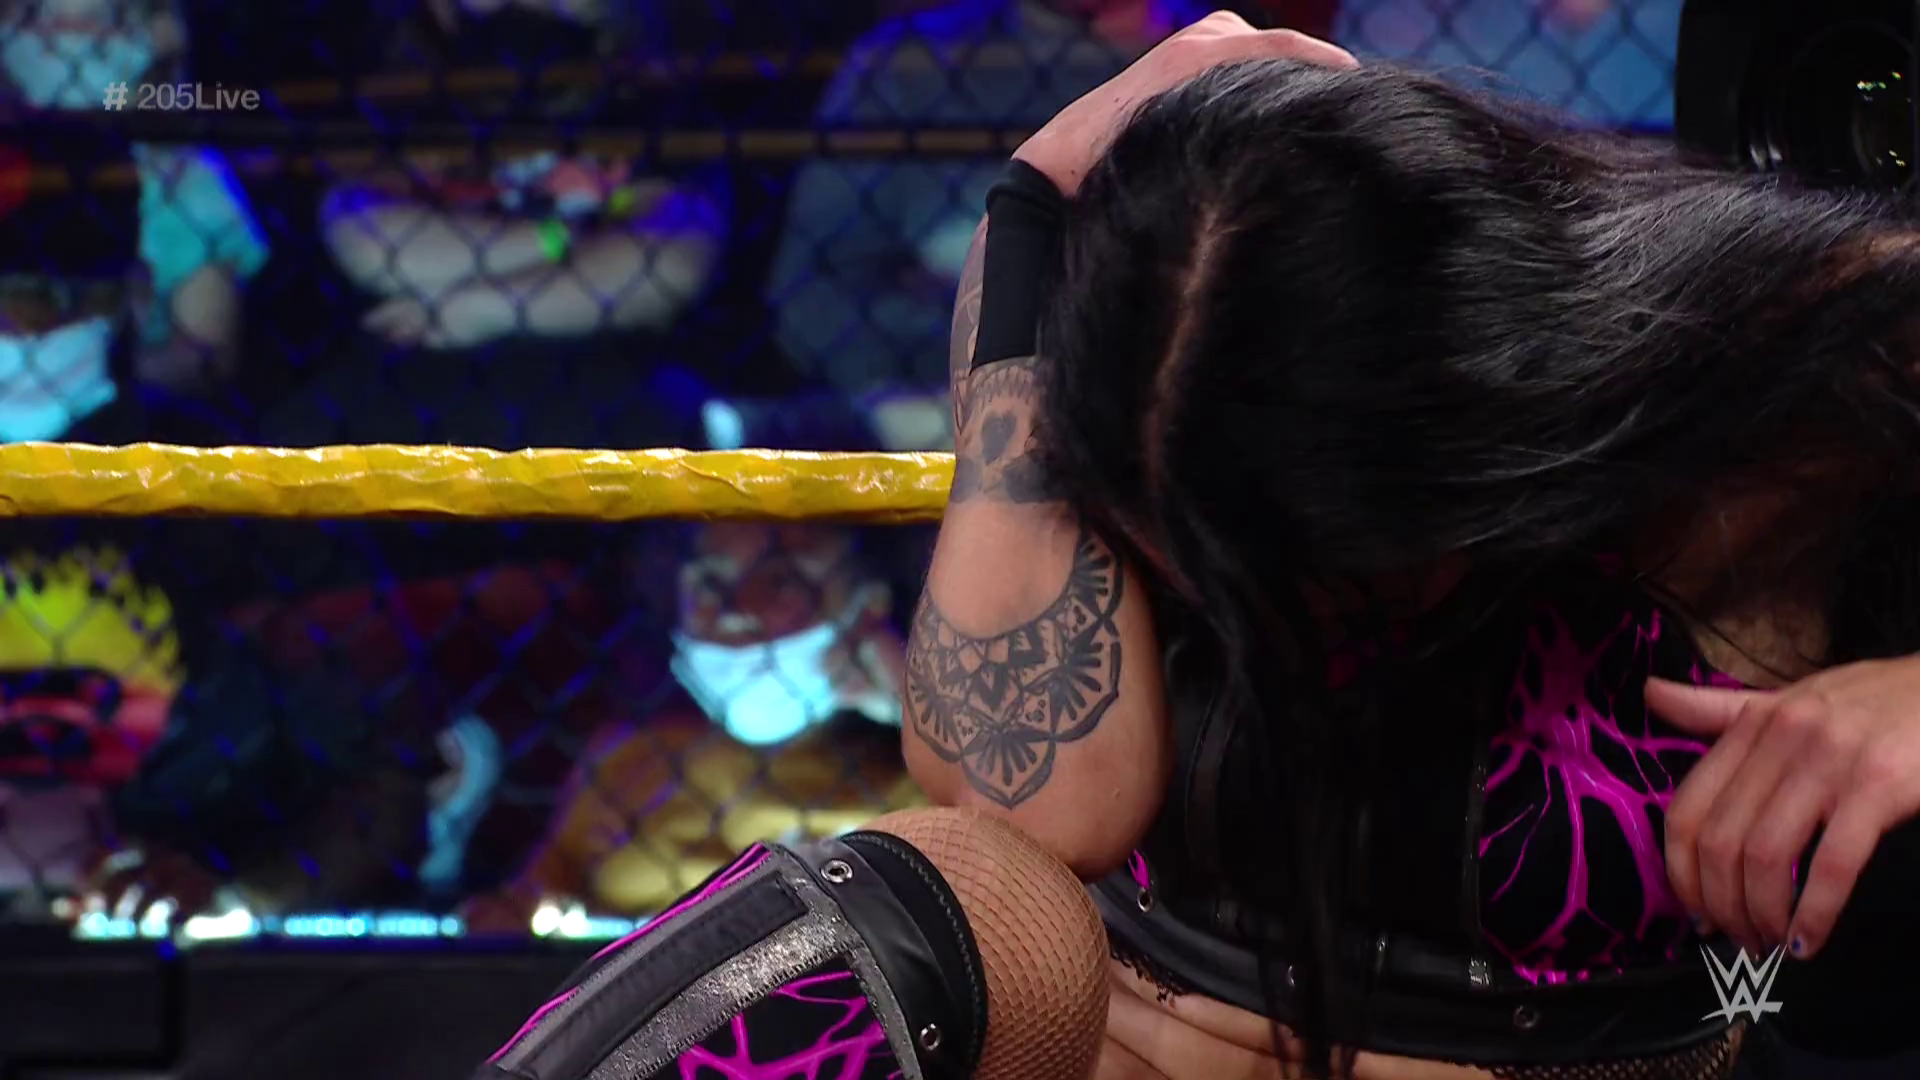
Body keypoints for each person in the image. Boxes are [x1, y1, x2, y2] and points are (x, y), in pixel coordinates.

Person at [475, 12, 1920, 1080]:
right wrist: (1026, 236)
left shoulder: (1799, 374)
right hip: (1121, 1052)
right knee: (945, 897)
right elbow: (1037, 821)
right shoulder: (1167, 374)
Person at [765, 0, 1210, 453]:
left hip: (1171, 428)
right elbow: (810, 295)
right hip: (931, 418)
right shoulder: (908, 61)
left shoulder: (1221, 59)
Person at [0, 0, 269, 430]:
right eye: (36, 17)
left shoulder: (186, 180)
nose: (65, 44)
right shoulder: (14, 168)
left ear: (159, 36)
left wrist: (103, 376)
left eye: (107, 24)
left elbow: (204, 356)